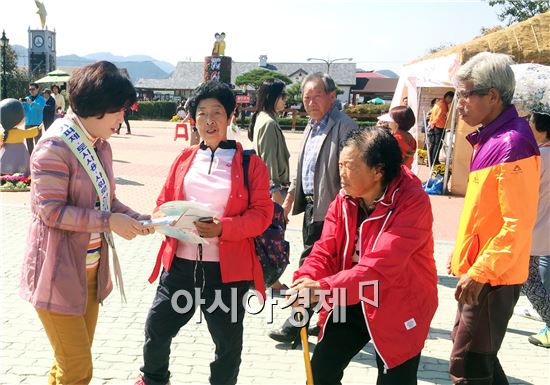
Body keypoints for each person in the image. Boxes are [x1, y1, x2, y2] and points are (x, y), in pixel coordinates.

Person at [19, 61, 155, 384]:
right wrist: (111, 222)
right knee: (78, 369)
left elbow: (105, 201)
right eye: (119, 111)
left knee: (67, 364)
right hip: (57, 274)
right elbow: (52, 212)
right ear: (97, 107)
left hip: (90, 273)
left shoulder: (100, 145)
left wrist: (137, 219)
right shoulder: (53, 147)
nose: (123, 119)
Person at [136, 81, 273, 385]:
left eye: (217, 113)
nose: (209, 121)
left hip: (226, 273)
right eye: (201, 114)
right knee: (156, 329)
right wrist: (162, 220)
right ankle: (153, 380)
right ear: (193, 119)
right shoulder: (184, 159)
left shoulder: (250, 163)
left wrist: (223, 227)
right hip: (181, 266)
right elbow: (163, 202)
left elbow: (262, 215)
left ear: (229, 117)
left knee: (227, 344)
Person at [290, 127, 438, 385]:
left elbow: (380, 267)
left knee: (396, 380)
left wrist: (322, 287)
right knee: (320, 373)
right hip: (349, 296)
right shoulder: (345, 199)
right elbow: (325, 250)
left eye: (349, 166)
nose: (341, 173)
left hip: (398, 301)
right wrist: (306, 279)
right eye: (340, 164)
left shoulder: (413, 202)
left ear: (378, 170)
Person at [449, 52, 540, 384]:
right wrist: (461, 256)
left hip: (493, 277)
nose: (459, 103)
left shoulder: (511, 142)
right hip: (484, 271)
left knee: (468, 366)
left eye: (465, 94)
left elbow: (516, 222)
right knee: (478, 362)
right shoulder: (491, 137)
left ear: (493, 96)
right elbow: (483, 213)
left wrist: (479, 270)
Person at [268, 72, 358, 343]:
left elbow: (352, 171)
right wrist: (289, 199)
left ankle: (296, 324)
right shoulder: (311, 125)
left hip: (333, 210)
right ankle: (321, 319)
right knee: (321, 265)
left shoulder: (345, 126)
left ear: (332, 96)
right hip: (311, 208)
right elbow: (302, 169)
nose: (310, 101)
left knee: (311, 264)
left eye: (316, 95)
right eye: (306, 97)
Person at [248, 78, 291, 293]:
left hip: (268, 189)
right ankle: (271, 282)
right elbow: (268, 162)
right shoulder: (268, 123)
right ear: (273, 97)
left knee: (267, 241)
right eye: (283, 96)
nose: (286, 100)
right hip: (271, 190)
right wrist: (277, 202)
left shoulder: (262, 119)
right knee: (273, 241)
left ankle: (269, 281)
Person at [520, 112, 550, 348]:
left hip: (533, 226)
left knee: (529, 281)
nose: (527, 125)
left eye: (530, 122)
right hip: (542, 228)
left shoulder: (540, 156)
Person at [0, 98, 41, 176]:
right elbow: (30, 133)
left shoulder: (3, 134)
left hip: (5, 155)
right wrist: (38, 128)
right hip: (21, 154)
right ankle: (21, 177)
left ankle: (6, 177)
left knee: (7, 167)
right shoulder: (20, 132)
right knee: (21, 167)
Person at [427, 91, 454, 166]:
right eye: (451, 99)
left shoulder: (438, 103)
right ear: (448, 97)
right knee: (437, 145)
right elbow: (438, 116)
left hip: (435, 126)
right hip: (439, 127)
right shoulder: (442, 105)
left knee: (433, 145)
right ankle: (434, 162)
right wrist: (433, 123)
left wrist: (431, 123)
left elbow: (433, 115)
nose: (451, 101)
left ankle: (430, 161)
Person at [22, 82, 45, 154]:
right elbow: (24, 110)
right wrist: (20, 105)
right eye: (30, 89)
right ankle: (30, 157)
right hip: (28, 123)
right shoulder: (26, 98)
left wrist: (32, 103)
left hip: (37, 124)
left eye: (33, 89)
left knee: (38, 143)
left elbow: (40, 108)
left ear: (37, 89)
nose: (31, 91)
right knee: (29, 143)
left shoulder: (41, 99)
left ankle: (38, 158)